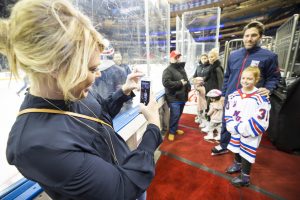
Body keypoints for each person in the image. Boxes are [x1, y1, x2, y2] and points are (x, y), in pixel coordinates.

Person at [2, 1, 162, 199]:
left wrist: (123, 92)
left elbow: (99, 112)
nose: (98, 76)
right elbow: (123, 189)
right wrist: (153, 127)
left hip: (131, 170)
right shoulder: (36, 146)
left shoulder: (71, 89)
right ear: (55, 67)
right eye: (92, 69)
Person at [211, 21, 281, 155]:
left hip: (251, 100)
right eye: (247, 35)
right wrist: (224, 95)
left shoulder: (269, 56)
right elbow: (227, 77)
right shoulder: (233, 55)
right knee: (228, 121)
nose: (249, 39)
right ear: (243, 37)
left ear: (260, 37)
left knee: (246, 126)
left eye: (253, 35)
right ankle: (225, 145)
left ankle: (242, 154)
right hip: (233, 97)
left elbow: (274, 77)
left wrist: (269, 88)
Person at [225, 66, 270, 187]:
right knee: (237, 147)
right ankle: (237, 164)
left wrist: (244, 128)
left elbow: (262, 119)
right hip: (236, 128)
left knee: (246, 152)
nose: (245, 81)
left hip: (250, 131)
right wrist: (232, 125)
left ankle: (245, 177)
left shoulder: (261, 97)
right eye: (243, 78)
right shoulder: (234, 95)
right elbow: (229, 111)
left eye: (249, 78)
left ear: (256, 80)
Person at [162, 50, 191, 141]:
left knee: (178, 115)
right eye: (175, 57)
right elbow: (166, 83)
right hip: (174, 97)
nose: (177, 58)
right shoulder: (167, 70)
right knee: (175, 114)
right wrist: (179, 83)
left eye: (178, 57)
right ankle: (171, 132)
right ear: (171, 59)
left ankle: (174, 129)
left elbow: (186, 80)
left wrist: (188, 87)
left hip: (182, 96)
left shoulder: (181, 68)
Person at [192, 53, 209, 124]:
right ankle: (199, 117)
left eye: (205, 58)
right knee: (199, 103)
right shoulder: (198, 67)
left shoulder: (210, 67)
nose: (204, 60)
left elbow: (209, 77)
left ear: (207, 59)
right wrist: (194, 80)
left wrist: (201, 80)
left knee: (205, 104)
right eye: (202, 58)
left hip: (206, 88)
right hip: (198, 88)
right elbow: (194, 76)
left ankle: (206, 118)